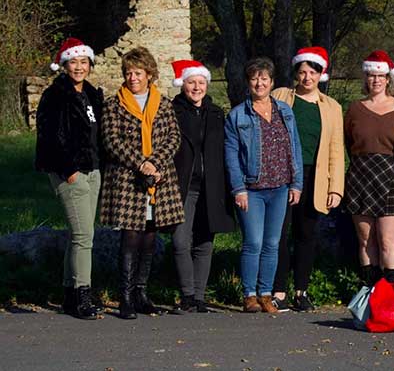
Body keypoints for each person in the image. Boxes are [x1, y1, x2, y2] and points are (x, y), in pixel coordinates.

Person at [100, 47, 184, 320]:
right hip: (128, 180)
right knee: (130, 237)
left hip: (159, 179)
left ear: (149, 74)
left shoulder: (164, 103)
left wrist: (155, 163)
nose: (133, 77)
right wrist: (141, 163)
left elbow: (173, 137)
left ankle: (141, 293)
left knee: (150, 235)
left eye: (138, 72)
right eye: (128, 73)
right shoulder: (114, 105)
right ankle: (124, 296)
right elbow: (112, 141)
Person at [224, 57, 303, 314]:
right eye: (255, 78)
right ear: (248, 82)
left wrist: (296, 183)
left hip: (280, 187)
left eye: (264, 78)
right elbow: (231, 155)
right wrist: (239, 189)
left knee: (272, 242)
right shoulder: (238, 115)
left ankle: (266, 293)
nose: (260, 83)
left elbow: (294, 148)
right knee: (253, 242)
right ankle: (249, 294)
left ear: (271, 82)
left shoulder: (285, 111)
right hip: (252, 189)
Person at [272, 47, 345, 312]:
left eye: (312, 72)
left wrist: (335, 187)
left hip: (315, 176)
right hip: (284, 174)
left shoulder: (331, 107)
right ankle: (278, 291)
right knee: (280, 234)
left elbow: (337, 149)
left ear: (320, 75)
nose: (306, 78)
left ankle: (301, 290)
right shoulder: (281, 96)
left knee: (306, 234)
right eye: (302, 72)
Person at [35, 38, 104, 320]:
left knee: (80, 236)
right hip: (69, 172)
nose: (79, 67)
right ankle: (82, 295)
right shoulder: (55, 95)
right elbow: (50, 136)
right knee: (83, 236)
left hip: (93, 171)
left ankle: (69, 294)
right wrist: (69, 169)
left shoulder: (90, 94)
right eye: (73, 62)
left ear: (89, 65)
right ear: (64, 65)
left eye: (83, 62)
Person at [170, 60, 236, 313]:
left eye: (200, 83)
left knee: (205, 241)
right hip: (182, 184)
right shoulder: (172, 111)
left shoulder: (217, 113)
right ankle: (186, 294)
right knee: (180, 240)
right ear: (182, 85)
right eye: (191, 82)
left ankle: (199, 296)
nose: (196, 88)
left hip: (211, 186)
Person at [344, 51, 394, 285]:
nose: (376, 80)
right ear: (365, 77)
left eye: (380, 76)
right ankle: (370, 293)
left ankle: (392, 296)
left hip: (393, 176)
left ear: (388, 78)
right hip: (361, 175)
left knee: (388, 241)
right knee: (365, 240)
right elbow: (348, 142)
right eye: (371, 75)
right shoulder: (354, 108)